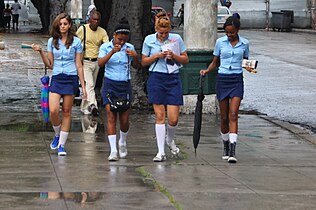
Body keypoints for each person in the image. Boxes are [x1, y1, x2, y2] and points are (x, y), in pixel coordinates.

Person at [31, 13, 87, 156]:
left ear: (69, 25)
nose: (62, 26)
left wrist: (84, 86)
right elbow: (50, 65)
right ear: (57, 25)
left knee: (67, 112)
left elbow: (79, 65)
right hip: (56, 77)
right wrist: (41, 53)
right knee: (54, 110)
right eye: (60, 24)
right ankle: (57, 134)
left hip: (71, 77)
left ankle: (62, 144)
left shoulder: (76, 42)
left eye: (65, 24)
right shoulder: (52, 41)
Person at [200, 16, 253, 163]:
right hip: (223, 79)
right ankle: (225, 145)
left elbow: (245, 61)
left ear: (238, 30)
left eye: (232, 32)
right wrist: (207, 71)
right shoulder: (220, 43)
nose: (229, 35)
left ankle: (233, 150)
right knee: (224, 117)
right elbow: (215, 62)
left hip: (236, 79)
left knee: (234, 114)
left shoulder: (244, 44)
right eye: (227, 33)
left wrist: (249, 67)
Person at [141, 17, 189, 162]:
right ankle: (160, 151)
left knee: (173, 119)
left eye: (166, 33)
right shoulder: (149, 40)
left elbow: (185, 59)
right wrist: (156, 56)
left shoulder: (176, 39)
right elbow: (143, 61)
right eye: (161, 33)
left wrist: (174, 55)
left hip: (172, 78)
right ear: (156, 29)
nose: (163, 36)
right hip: (156, 77)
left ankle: (169, 139)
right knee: (160, 115)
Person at [98, 17, 139, 161]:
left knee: (125, 119)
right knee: (110, 115)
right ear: (114, 35)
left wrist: (135, 57)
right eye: (119, 39)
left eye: (124, 40)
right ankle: (113, 150)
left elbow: (135, 66)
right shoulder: (105, 47)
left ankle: (122, 141)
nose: (121, 43)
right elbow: (100, 64)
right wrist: (112, 53)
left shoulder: (130, 48)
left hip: (124, 84)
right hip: (110, 83)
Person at [76, 10, 109, 116]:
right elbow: (76, 42)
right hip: (85, 61)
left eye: (97, 20)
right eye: (93, 19)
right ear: (89, 19)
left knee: (90, 86)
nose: (95, 21)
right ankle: (93, 105)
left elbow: (107, 45)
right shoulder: (83, 29)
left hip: (96, 62)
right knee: (89, 84)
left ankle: (84, 108)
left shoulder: (102, 31)